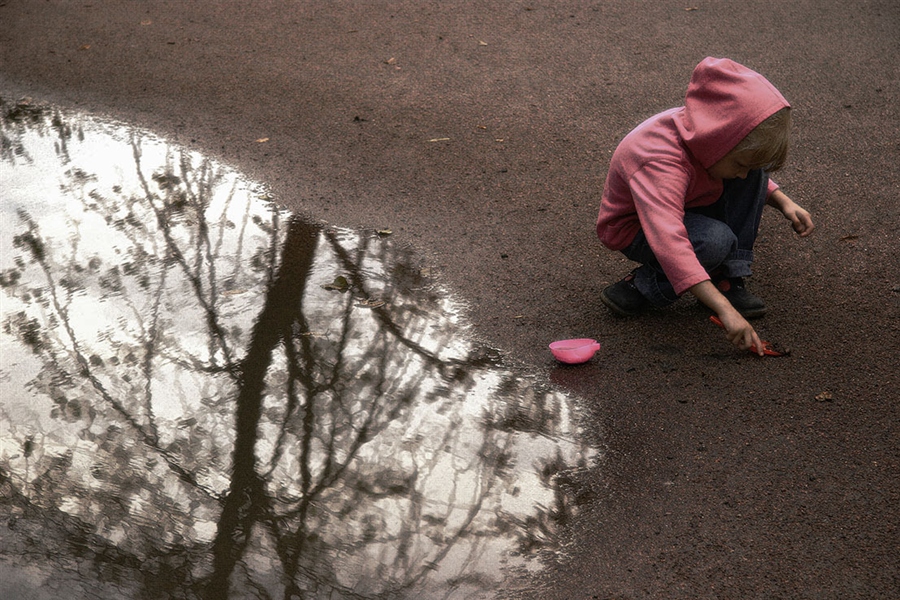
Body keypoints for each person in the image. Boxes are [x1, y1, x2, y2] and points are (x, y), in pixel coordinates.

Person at [596, 57, 814, 355]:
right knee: (713, 241)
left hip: (691, 202)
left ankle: (726, 274)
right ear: (717, 140)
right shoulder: (658, 161)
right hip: (638, 228)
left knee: (752, 171)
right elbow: (669, 238)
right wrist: (724, 310)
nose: (742, 173)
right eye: (738, 163)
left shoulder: (707, 135)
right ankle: (645, 284)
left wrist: (783, 202)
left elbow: (745, 172)